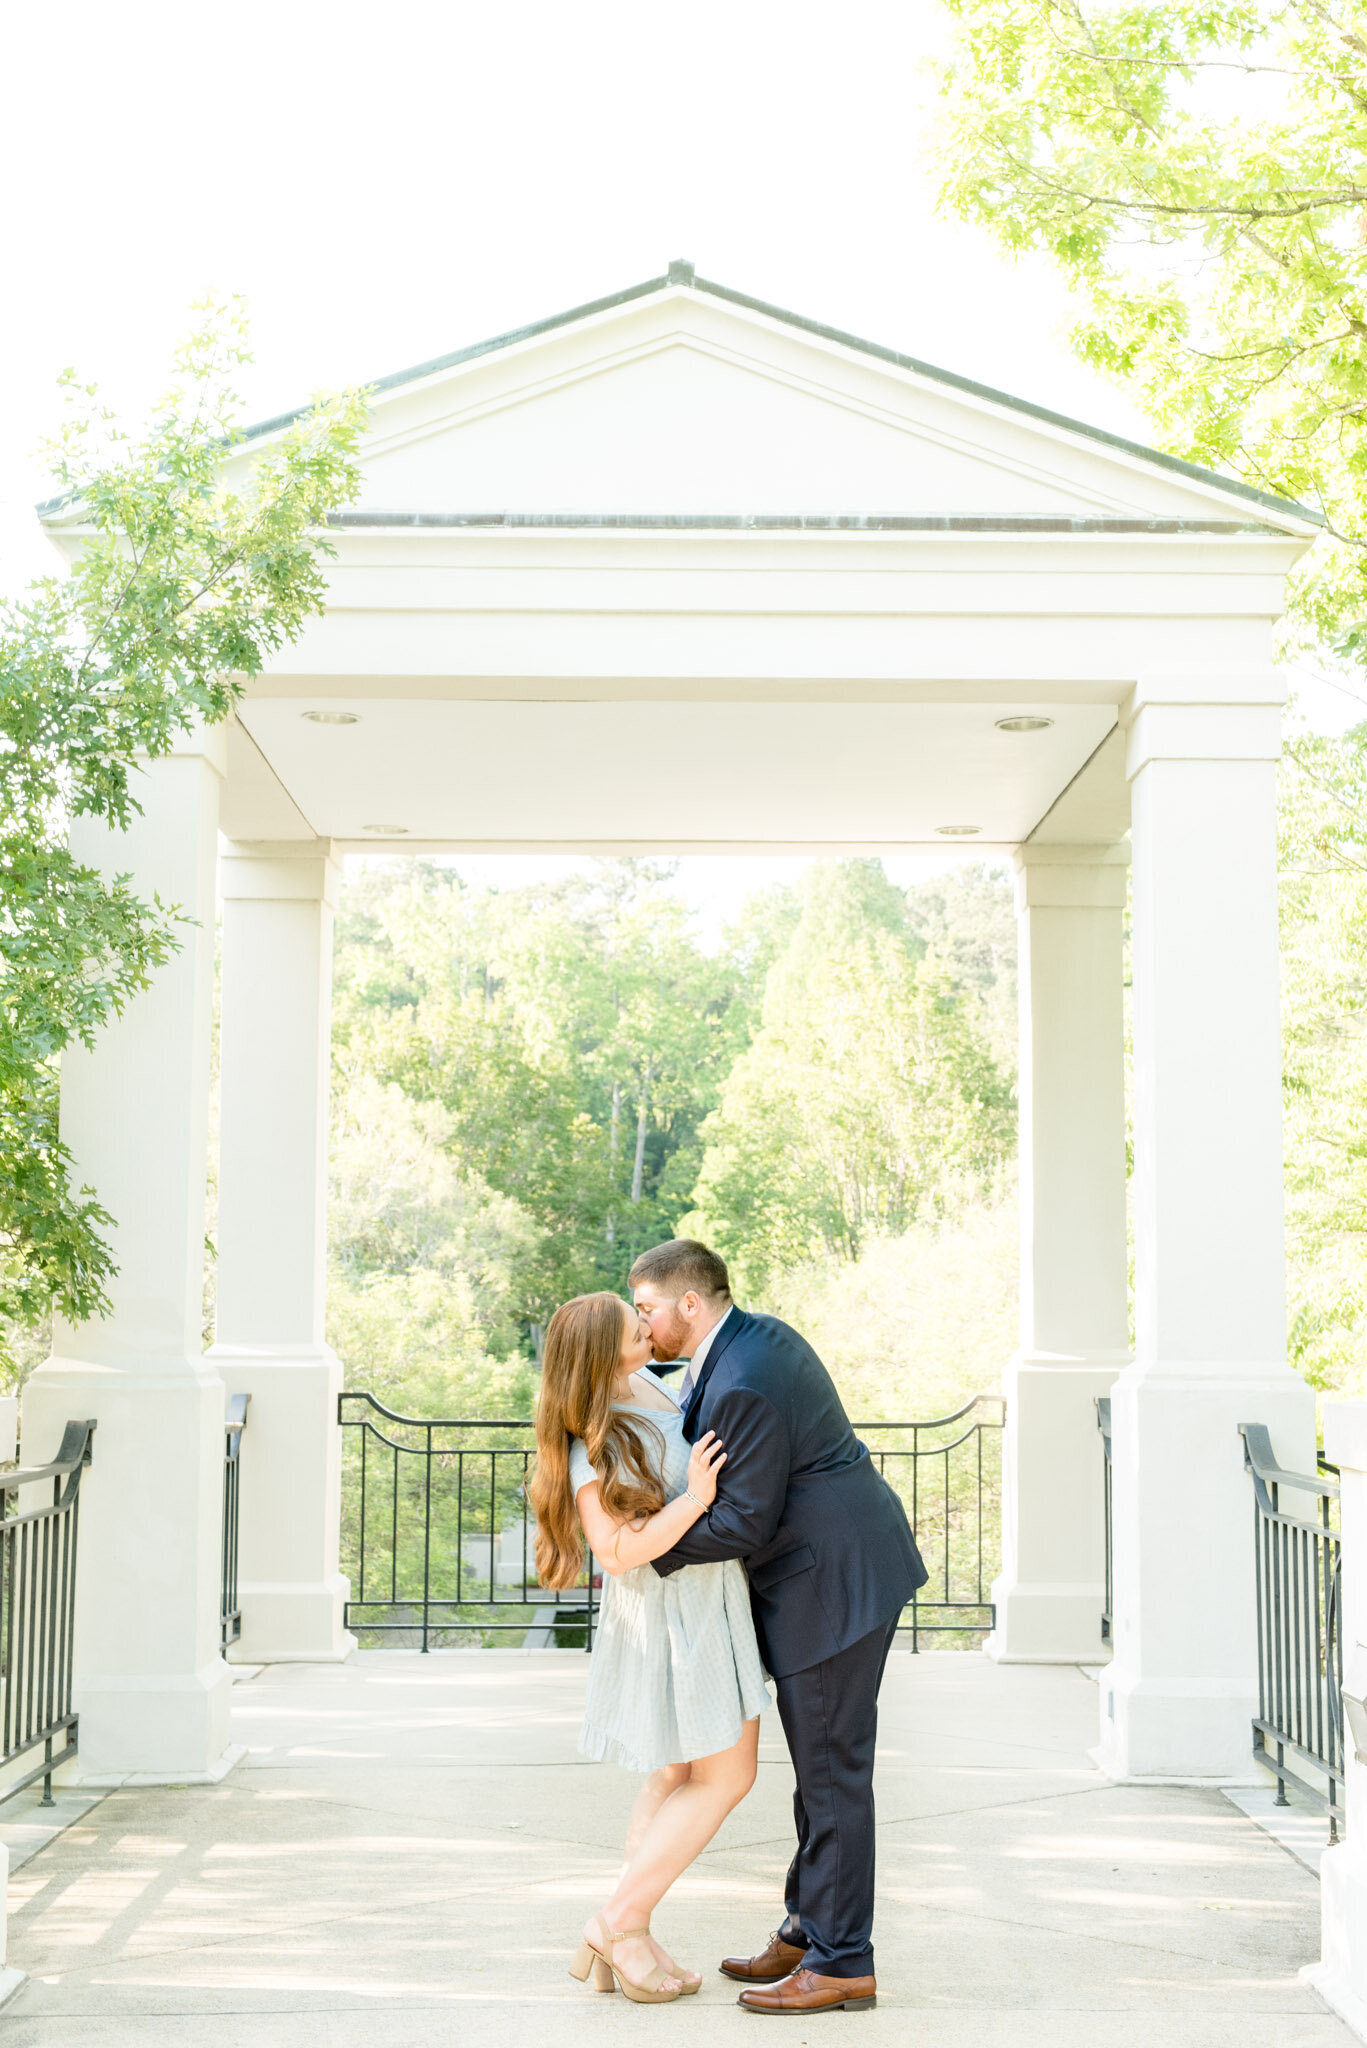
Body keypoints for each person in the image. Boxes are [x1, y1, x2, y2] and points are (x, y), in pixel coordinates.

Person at [630, 1238, 927, 2017]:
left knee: (831, 1776)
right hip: (834, 1569)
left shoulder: (745, 1379)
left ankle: (840, 1962)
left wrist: (634, 1552)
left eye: (647, 1309)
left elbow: (741, 1520)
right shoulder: (754, 1340)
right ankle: (806, 1926)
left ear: (689, 1303)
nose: (643, 1324)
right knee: (821, 1772)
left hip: (830, 1587)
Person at [529, 1290, 770, 2006]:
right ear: (602, 1353)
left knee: (672, 1776)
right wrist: (695, 1497)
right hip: (672, 1618)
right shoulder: (589, 1440)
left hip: (706, 1602)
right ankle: (618, 1921)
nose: (646, 1323)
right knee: (725, 1776)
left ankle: (627, 1931)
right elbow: (613, 1550)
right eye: (632, 1323)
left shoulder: (653, 1384)